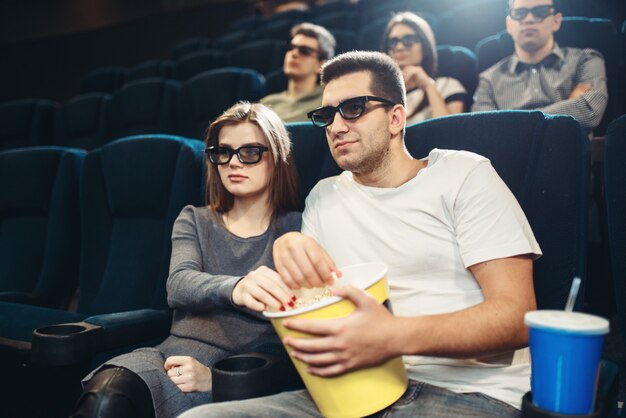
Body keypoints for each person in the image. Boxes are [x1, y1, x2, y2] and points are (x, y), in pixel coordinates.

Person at [179, 51, 542, 418]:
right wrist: (288, 245)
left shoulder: (464, 175)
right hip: (350, 390)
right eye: (327, 115)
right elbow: (315, 307)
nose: (336, 127)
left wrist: (392, 336)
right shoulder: (322, 196)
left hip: (465, 391)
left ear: (396, 118)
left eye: (353, 108)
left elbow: (516, 317)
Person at [71, 102, 302, 418]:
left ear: (276, 157)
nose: (233, 163)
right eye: (223, 152)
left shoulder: (297, 228)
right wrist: (237, 288)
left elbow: (291, 329)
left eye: (249, 152)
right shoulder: (195, 219)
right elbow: (178, 284)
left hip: (245, 368)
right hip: (170, 357)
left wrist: (217, 378)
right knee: (104, 400)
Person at [472, 0, 608, 133]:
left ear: (556, 21)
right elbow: (483, 131)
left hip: (570, 153)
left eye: (540, 11)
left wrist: (510, 124)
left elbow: (589, 110)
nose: (529, 19)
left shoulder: (585, 60)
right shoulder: (488, 79)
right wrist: (567, 111)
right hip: (508, 156)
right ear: (509, 24)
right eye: (519, 13)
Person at [382, 12, 467, 125]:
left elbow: (448, 134)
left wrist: (428, 85)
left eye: (409, 39)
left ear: (425, 46)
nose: (400, 47)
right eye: (393, 41)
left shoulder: (448, 85)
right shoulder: (382, 95)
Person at [260, 22, 336, 122]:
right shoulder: (266, 104)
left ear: (321, 65)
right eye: (291, 47)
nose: (294, 53)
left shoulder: (329, 100)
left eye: (304, 51)